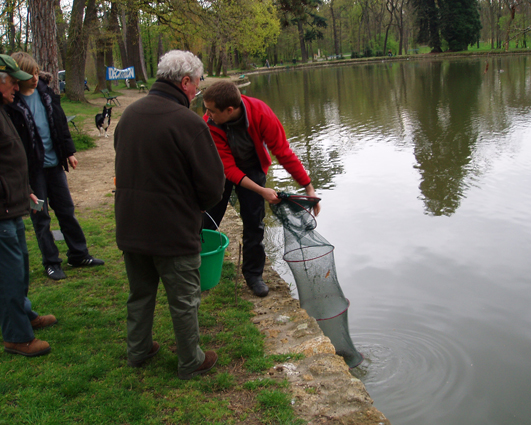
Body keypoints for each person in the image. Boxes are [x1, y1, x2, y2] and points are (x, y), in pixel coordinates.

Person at [114, 50, 225, 379]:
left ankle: (138, 350)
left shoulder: (130, 115)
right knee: (184, 299)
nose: (198, 93)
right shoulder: (188, 122)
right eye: (197, 85)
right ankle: (191, 360)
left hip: (132, 225)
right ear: (185, 81)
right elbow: (213, 185)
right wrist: (199, 204)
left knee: (140, 292)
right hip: (173, 230)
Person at [202, 80, 320, 298]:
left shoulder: (261, 113)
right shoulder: (209, 124)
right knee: (208, 216)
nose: (206, 115)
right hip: (220, 168)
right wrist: (262, 190)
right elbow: (228, 169)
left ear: (229, 110)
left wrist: (308, 186)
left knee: (254, 224)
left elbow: (283, 152)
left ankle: (253, 274)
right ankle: (194, 264)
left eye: (210, 110)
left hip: (252, 166)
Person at [6, 52, 104, 281]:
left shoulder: (46, 93)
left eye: (36, 72)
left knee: (66, 211)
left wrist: (69, 152)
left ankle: (79, 254)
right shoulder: (11, 103)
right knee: (41, 217)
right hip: (33, 173)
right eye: (29, 74)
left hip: (54, 168)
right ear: (17, 76)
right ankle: (51, 262)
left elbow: (60, 124)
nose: (34, 77)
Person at [0, 54, 57, 357]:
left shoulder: (3, 109)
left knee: (20, 266)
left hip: (14, 204)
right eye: (13, 83)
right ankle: (16, 336)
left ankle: (25, 315)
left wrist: (24, 191)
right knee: (8, 273)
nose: (17, 89)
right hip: (2, 212)